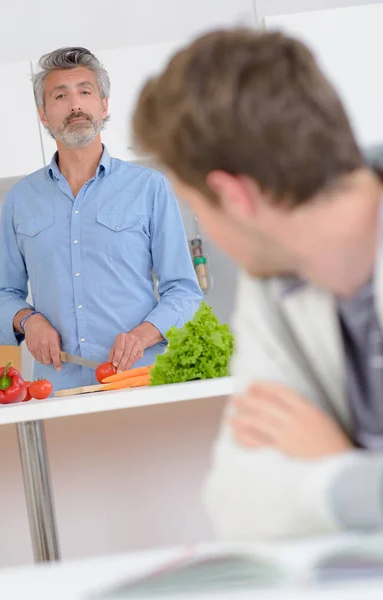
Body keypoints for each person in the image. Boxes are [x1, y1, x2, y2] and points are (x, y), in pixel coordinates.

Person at [132, 28, 383, 538]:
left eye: (195, 204)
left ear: (233, 196)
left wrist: (338, 471)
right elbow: (238, 497)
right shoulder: (275, 279)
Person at [0, 47, 202, 392]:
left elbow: (184, 290)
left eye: (85, 91)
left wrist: (141, 336)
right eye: (61, 95)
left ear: (103, 106)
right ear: (43, 114)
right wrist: (29, 320)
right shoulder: (20, 200)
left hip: (140, 382)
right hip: (56, 388)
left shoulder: (149, 188)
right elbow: (2, 292)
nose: (75, 105)